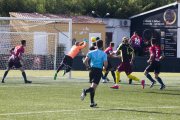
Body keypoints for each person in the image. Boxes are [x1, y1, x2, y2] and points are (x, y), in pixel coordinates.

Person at [81, 40, 108, 107]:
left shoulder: (91, 52)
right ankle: (85, 91)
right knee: (93, 88)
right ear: (102, 46)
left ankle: (92, 102)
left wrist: (87, 66)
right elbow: (105, 63)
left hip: (91, 70)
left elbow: (86, 60)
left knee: (93, 87)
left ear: (96, 45)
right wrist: (104, 67)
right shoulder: (104, 54)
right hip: (98, 71)